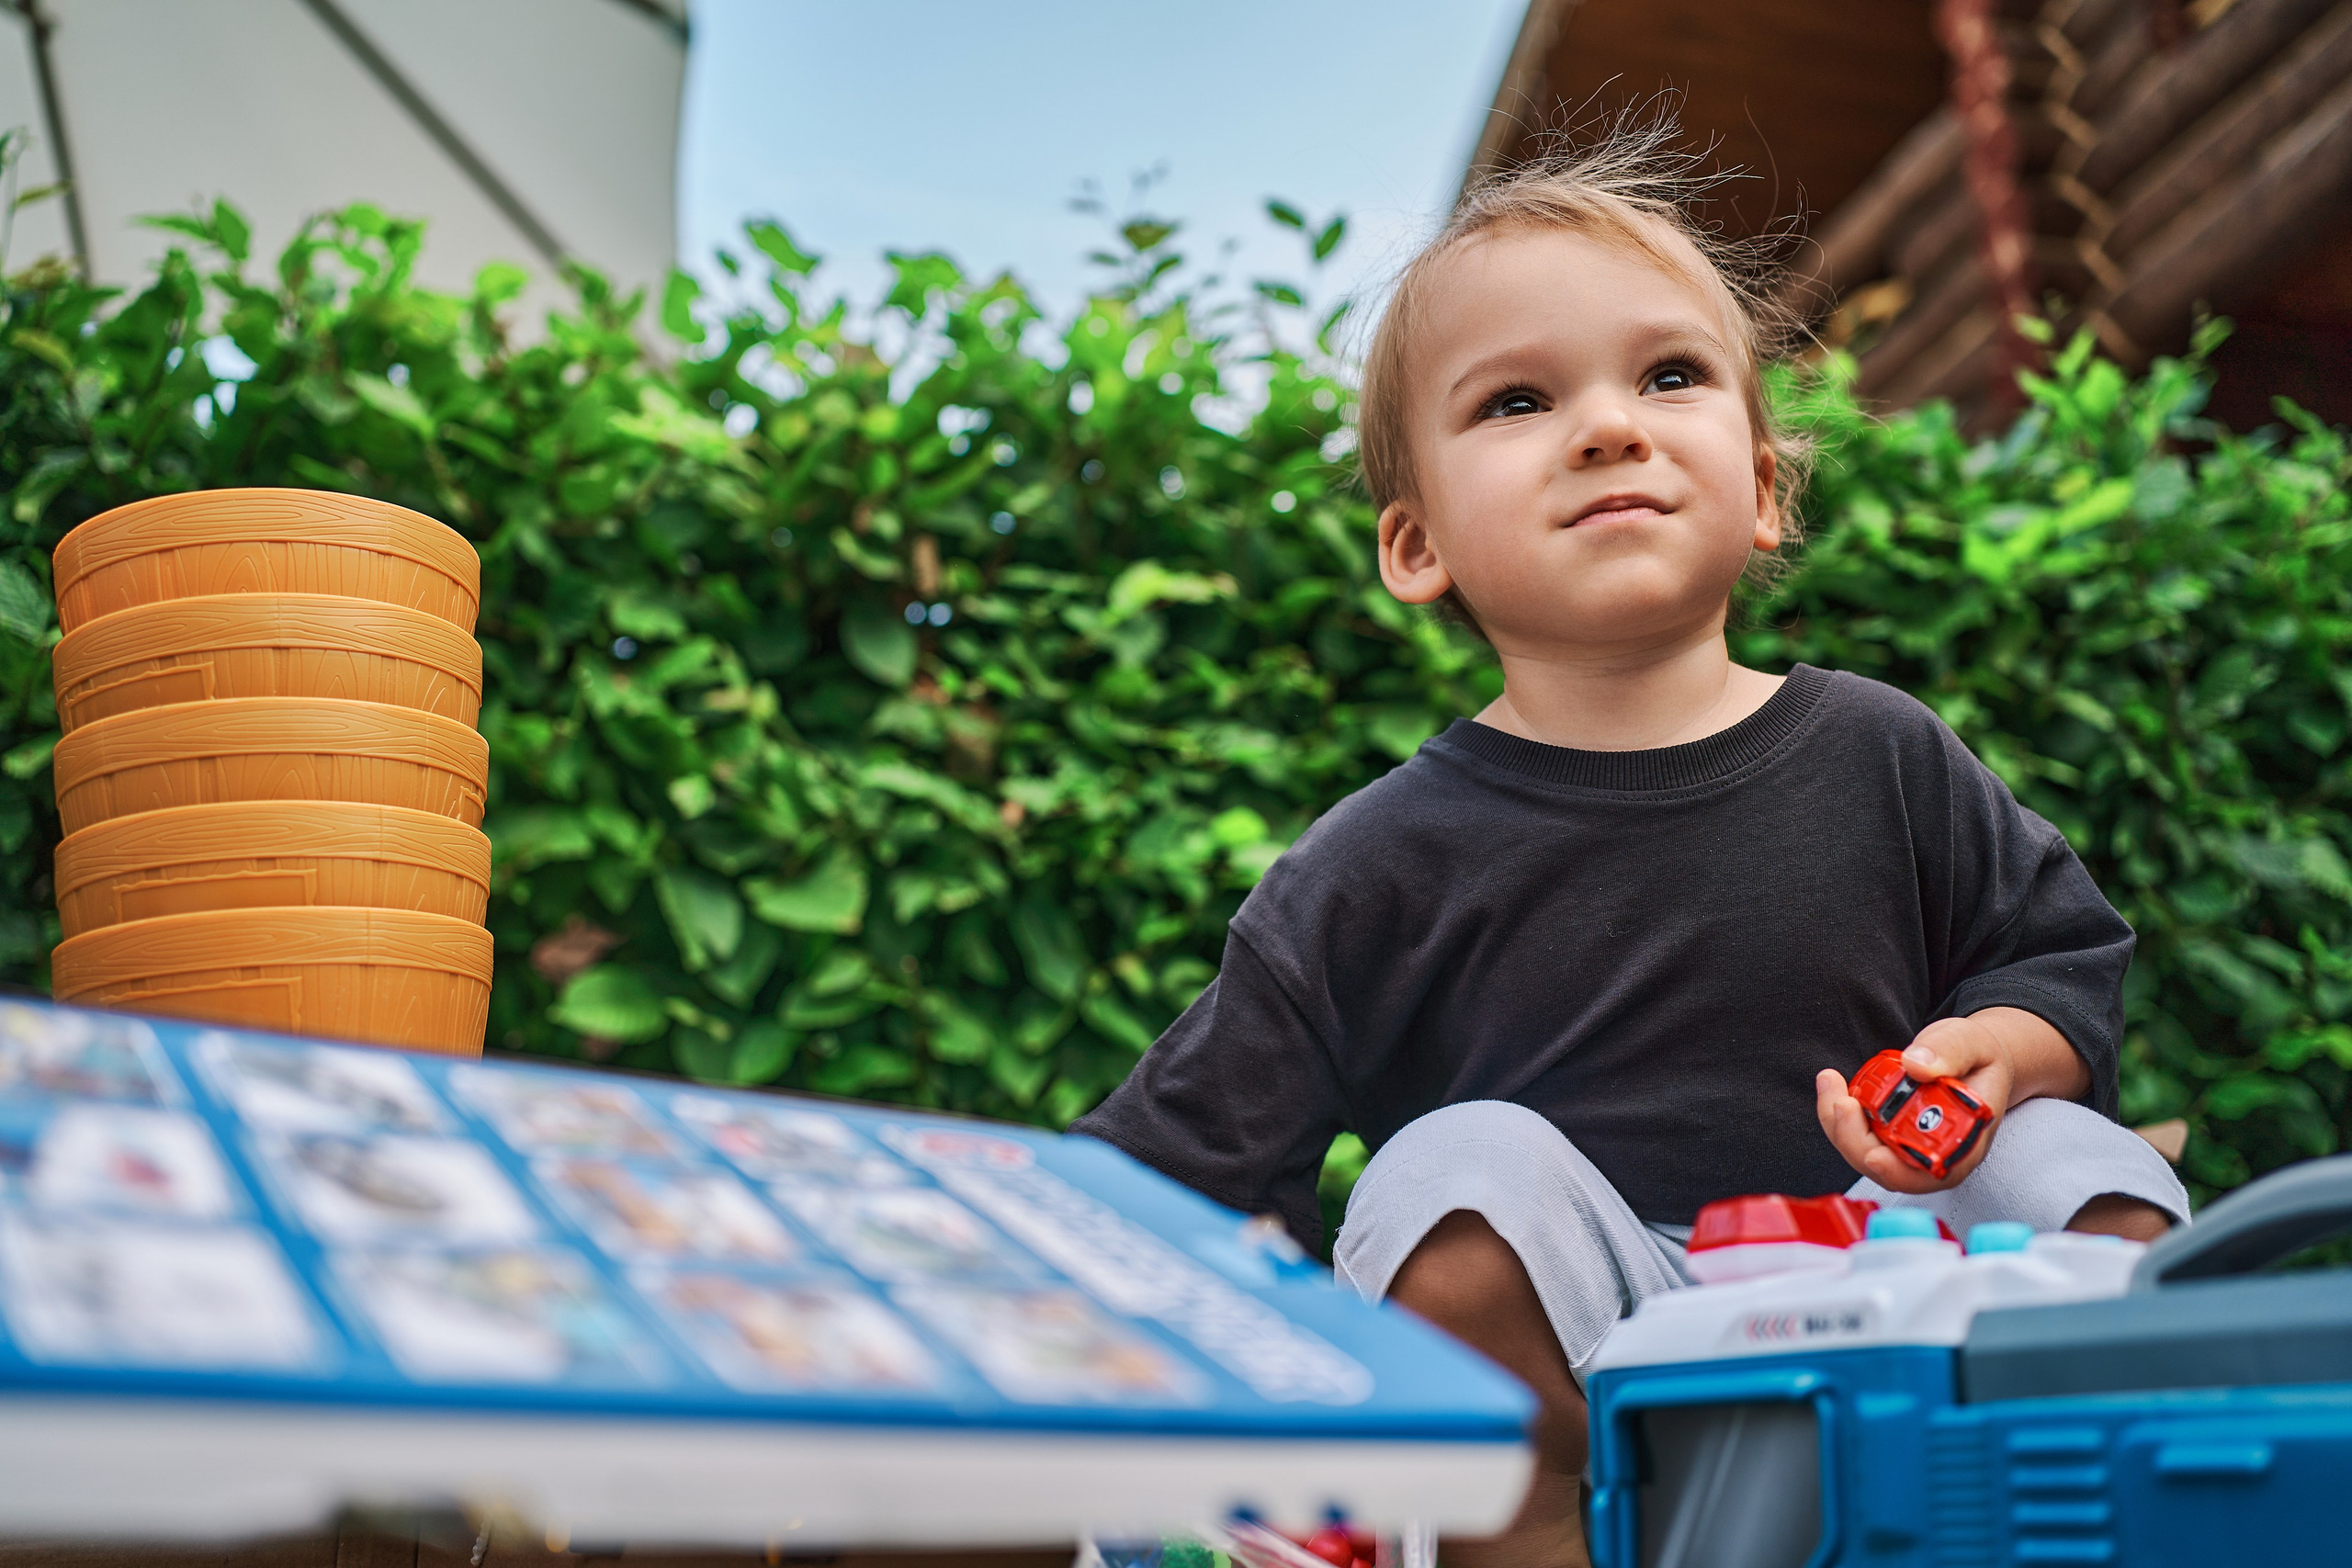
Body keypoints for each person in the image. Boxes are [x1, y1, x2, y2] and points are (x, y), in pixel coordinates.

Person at [1070, 121, 2188, 1568]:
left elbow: (2061, 950)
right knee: (1458, 1173)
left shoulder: (1880, 750)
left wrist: (2002, 1049)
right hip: (1584, 1357)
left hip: (1882, 1291)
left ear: (1769, 484)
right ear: (1419, 547)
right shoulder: (1376, 863)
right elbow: (1177, 1169)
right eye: (1519, 400)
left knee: (2061, 1155)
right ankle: (1529, 1543)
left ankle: (2124, 1505)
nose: (1610, 425)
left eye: (1670, 376)